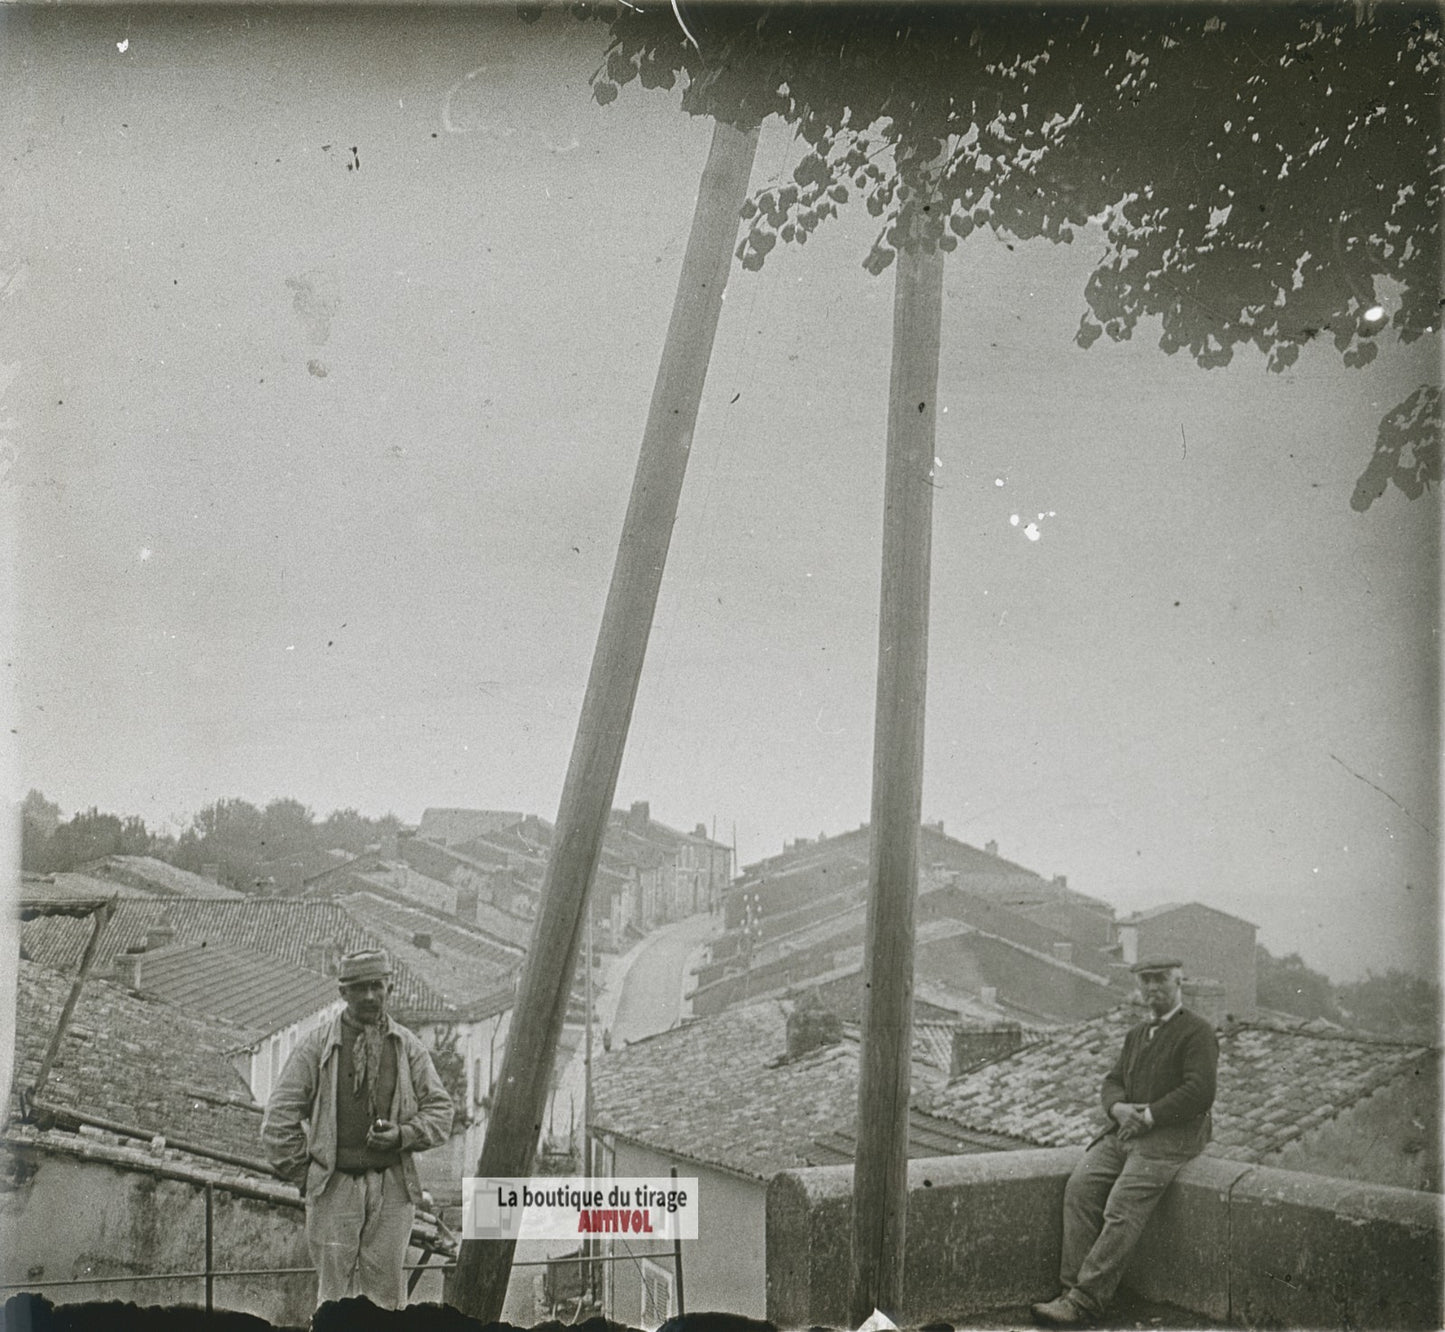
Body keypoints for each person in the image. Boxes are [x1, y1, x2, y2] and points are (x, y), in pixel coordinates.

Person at [261, 948, 454, 1310]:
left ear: (389, 989)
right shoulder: (316, 1047)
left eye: (376, 986)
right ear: (342, 993)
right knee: (335, 1298)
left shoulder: (407, 1047)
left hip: (393, 1192)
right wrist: (310, 1176)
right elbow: (278, 1122)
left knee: (386, 1300)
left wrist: (402, 1135)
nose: (369, 996)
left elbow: (442, 1112)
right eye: (359, 987)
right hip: (334, 1189)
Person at [1031, 957, 1219, 1327]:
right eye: (1145, 980)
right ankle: (1071, 1290)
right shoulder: (1137, 1034)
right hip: (1126, 1131)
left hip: (1171, 1137)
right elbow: (1112, 1079)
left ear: (1179, 981)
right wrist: (1117, 1109)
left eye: (1160, 979)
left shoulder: (1197, 1032)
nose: (1152, 988)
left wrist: (1148, 1116)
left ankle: (1085, 1302)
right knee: (1080, 1188)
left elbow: (1200, 1091)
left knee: (1123, 1205)